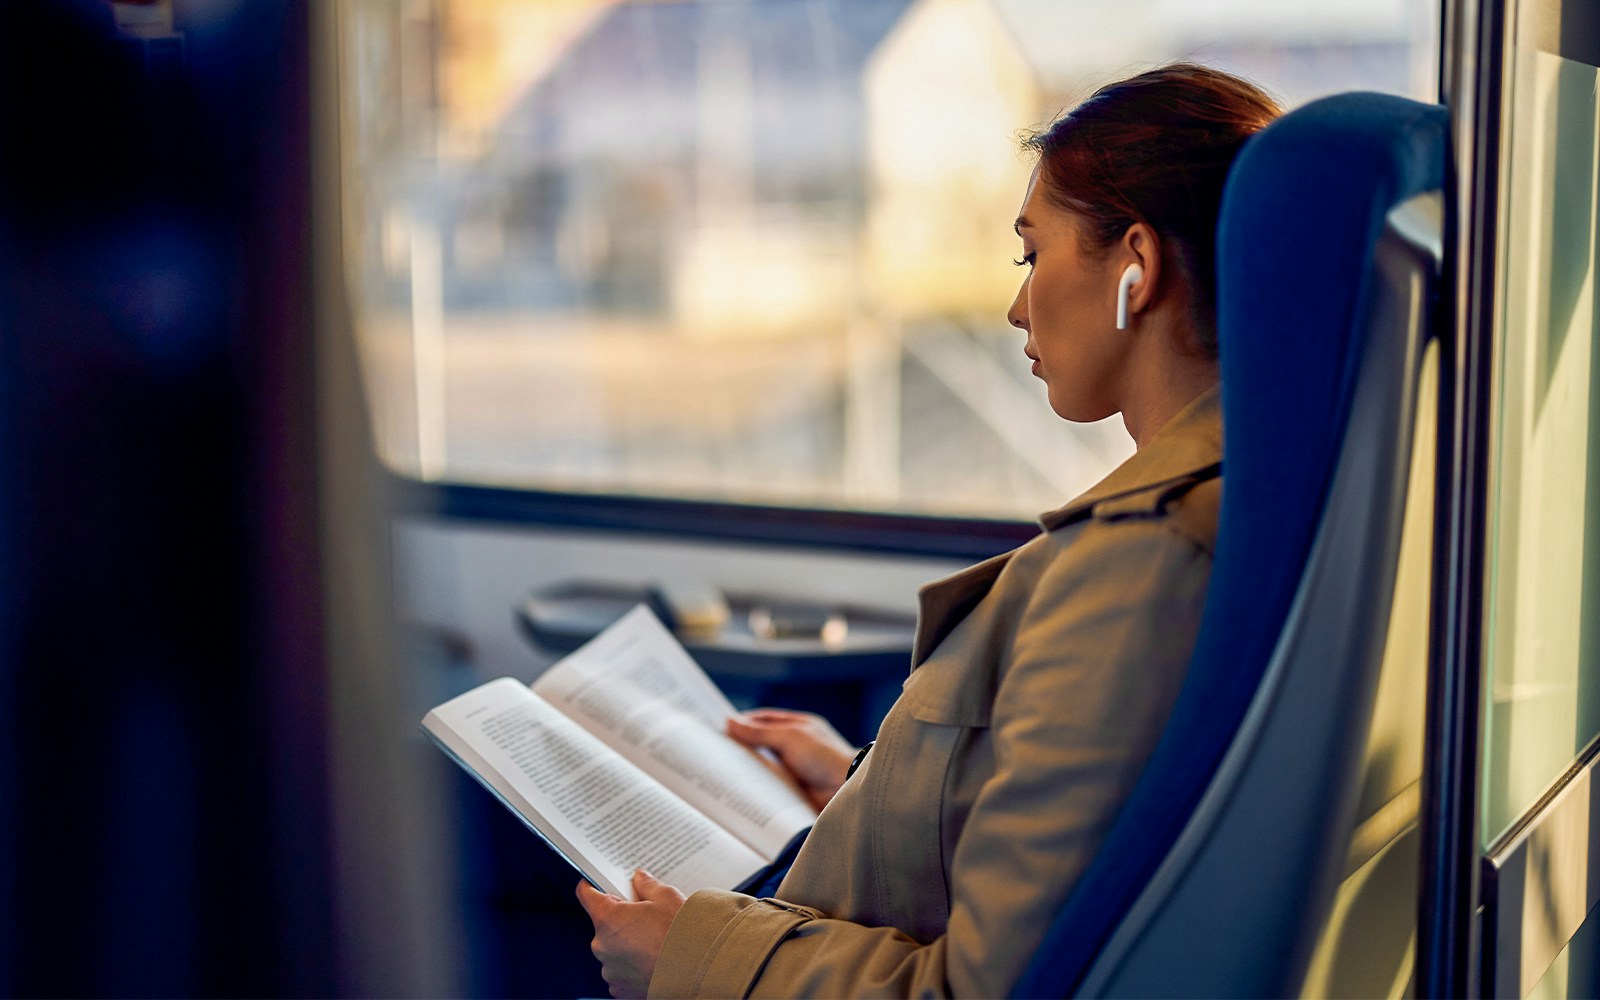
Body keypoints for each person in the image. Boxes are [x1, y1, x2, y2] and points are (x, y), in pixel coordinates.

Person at [575, 63, 1283, 998]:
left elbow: (984, 992)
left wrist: (693, 961)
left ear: (1136, 265)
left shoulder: (1138, 567)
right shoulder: (1253, 498)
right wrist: (874, 793)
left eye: (1033, 255)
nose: (1016, 305)